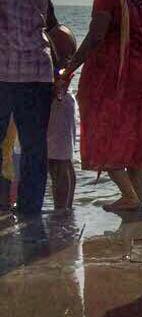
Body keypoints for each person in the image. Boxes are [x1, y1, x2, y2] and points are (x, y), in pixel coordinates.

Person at [57, 0, 142, 213]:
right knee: (137, 141)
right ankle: (136, 199)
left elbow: (95, 36)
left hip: (113, 79)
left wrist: (69, 68)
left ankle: (128, 195)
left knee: (103, 132)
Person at [0, 0, 58, 218]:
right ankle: (30, 209)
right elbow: (48, 28)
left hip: (5, 72)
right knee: (35, 146)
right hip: (38, 72)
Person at [46, 26, 77, 212]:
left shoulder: (58, 35)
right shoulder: (59, 32)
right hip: (61, 100)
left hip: (58, 100)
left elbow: (63, 67)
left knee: (58, 162)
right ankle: (65, 209)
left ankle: (61, 210)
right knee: (62, 161)